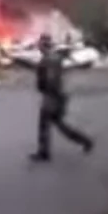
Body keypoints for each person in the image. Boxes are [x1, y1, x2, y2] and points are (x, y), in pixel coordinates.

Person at [30, 33, 95, 162]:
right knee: (59, 125)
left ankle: (44, 153)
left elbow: (51, 79)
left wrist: (50, 93)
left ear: (44, 46)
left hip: (52, 96)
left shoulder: (49, 60)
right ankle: (85, 141)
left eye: (40, 45)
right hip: (56, 96)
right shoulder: (53, 58)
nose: (39, 48)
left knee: (46, 124)